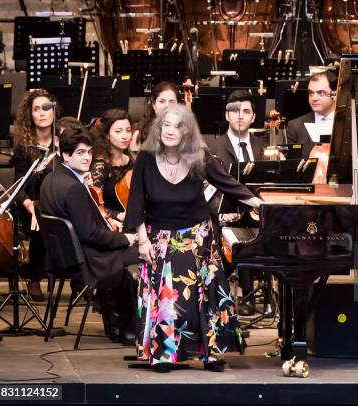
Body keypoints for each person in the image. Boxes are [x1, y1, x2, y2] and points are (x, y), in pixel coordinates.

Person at [124, 104, 261, 372]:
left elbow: (229, 185)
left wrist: (261, 204)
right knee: (165, 298)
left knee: (205, 297)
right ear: (158, 128)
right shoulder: (146, 158)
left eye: (178, 126)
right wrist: (142, 242)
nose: (171, 131)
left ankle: (210, 354)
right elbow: (136, 204)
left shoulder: (200, 155)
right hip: (159, 238)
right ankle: (164, 353)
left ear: (187, 131)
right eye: (166, 125)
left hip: (197, 236)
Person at [39, 127, 139, 345]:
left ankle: (117, 323)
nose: (87, 158)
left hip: (64, 257)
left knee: (129, 260)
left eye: (89, 152)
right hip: (87, 259)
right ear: (65, 155)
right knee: (142, 259)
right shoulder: (73, 188)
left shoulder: (51, 179)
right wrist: (125, 239)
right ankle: (131, 326)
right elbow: (91, 234)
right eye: (80, 153)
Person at [207, 89, 267, 316]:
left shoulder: (263, 146)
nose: (240, 115)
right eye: (234, 111)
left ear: (253, 117)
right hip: (227, 215)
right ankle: (247, 292)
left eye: (246, 111)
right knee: (238, 229)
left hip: (258, 213)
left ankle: (265, 294)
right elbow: (209, 189)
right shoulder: (213, 148)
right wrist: (220, 214)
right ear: (227, 115)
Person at [11, 89, 60, 301]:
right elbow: (18, 185)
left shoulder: (62, 141)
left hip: (59, 200)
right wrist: (30, 205)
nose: (42, 113)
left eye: (46, 108)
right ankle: (33, 277)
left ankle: (80, 280)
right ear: (30, 115)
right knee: (41, 217)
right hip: (31, 203)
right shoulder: (23, 146)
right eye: (36, 109)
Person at [90, 109, 134, 223]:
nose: (125, 136)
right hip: (112, 225)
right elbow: (93, 204)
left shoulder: (131, 161)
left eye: (128, 130)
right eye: (118, 131)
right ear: (107, 135)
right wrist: (117, 215)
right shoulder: (100, 166)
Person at [286, 70, 337, 159]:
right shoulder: (295, 126)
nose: (314, 98)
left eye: (321, 93)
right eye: (311, 93)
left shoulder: (350, 124)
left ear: (335, 94)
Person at [133, 81, 179, 152]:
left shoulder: (185, 131)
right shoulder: (139, 132)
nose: (167, 106)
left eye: (171, 102)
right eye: (162, 101)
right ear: (154, 105)